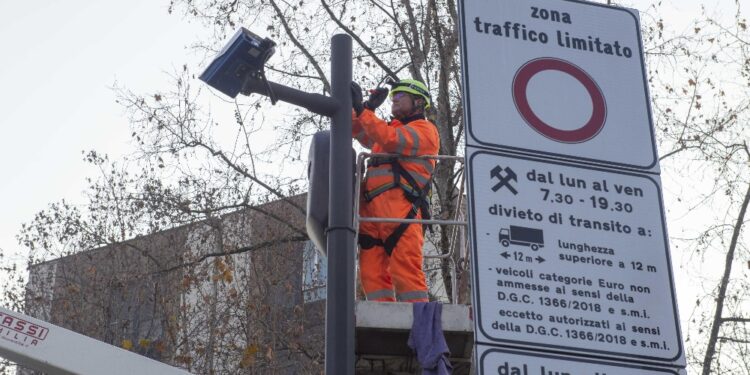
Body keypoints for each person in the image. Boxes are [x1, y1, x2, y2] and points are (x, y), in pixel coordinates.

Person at [350, 78, 440, 302]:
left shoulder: (426, 131)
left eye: (399, 98)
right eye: (392, 98)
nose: (393, 102)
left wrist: (364, 110)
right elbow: (355, 129)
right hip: (372, 212)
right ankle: (381, 323)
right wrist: (367, 107)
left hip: (402, 211)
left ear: (419, 103)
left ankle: (421, 325)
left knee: (406, 274)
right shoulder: (387, 128)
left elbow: (391, 139)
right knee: (371, 274)